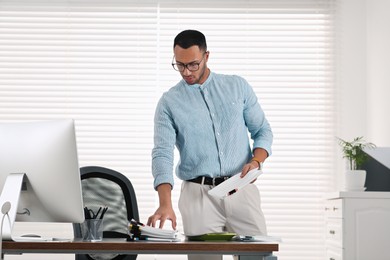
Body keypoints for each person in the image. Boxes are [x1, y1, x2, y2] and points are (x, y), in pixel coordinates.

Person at [147, 30, 273, 260]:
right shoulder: (169, 102)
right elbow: (162, 154)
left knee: (258, 257)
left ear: (207, 56)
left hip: (241, 188)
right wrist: (164, 203)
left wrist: (257, 161)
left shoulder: (237, 86)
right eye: (180, 65)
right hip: (198, 197)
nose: (186, 72)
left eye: (193, 64)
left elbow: (262, 131)